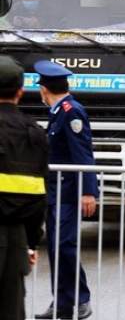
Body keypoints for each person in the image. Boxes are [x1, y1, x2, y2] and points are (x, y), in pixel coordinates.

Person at [33, 60, 96, 320]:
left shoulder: (71, 111)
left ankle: (80, 300)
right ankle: (61, 302)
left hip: (69, 191)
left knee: (64, 245)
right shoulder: (59, 111)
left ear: (44, 89)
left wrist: (88, 191)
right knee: (58, 248)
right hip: (56, 191)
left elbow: (83, 153)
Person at [0, 55, 49, 320]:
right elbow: (38, 196)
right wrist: (30, 243)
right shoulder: (33, 132)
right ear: (20, 91)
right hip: (16, 238)